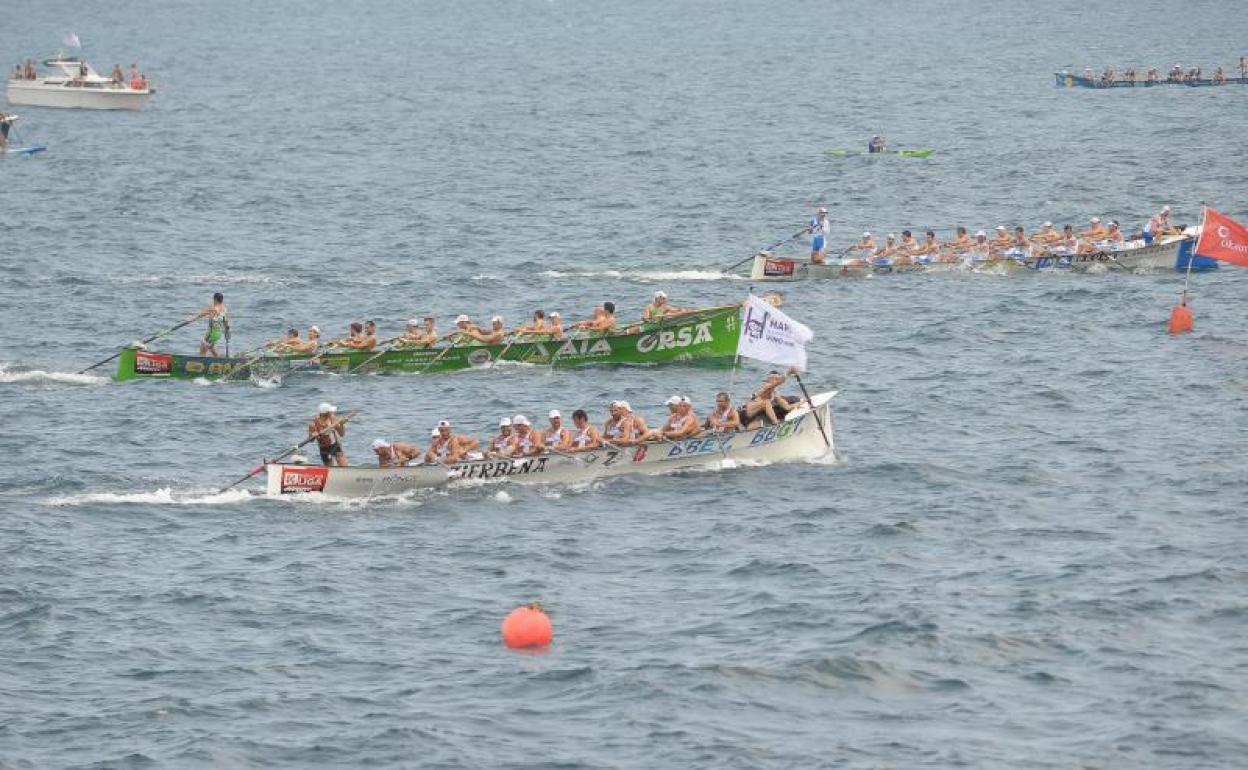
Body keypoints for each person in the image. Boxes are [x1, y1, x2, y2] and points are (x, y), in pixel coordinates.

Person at [196, 292, 229, 357]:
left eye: (213, 300)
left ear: (215, 299)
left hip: (211, 333)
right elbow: (226, 322)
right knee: (211, 348)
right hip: (218, 333)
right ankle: (219, 360)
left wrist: (193, 319)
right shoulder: (224, 309)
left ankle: (200, 364)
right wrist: (227, 331)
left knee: (202, 349)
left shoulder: (213, 308)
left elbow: (202, 314)